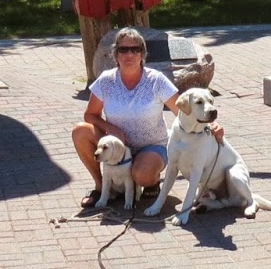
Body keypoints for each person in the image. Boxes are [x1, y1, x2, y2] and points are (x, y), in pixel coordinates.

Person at [71, 28, 221, 209]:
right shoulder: (106, 80)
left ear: (143, 54)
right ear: (115, 54)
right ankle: (103, 186)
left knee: (141, 175)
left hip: (152, 145)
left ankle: (150, 181)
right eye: (123, 50)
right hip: (118, 145)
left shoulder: (156, 79)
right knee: (80, 131)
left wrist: (210, 125)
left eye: (135, 49)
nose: (129, 54)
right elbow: (90, 115)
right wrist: (110, 128)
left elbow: (183, 111)